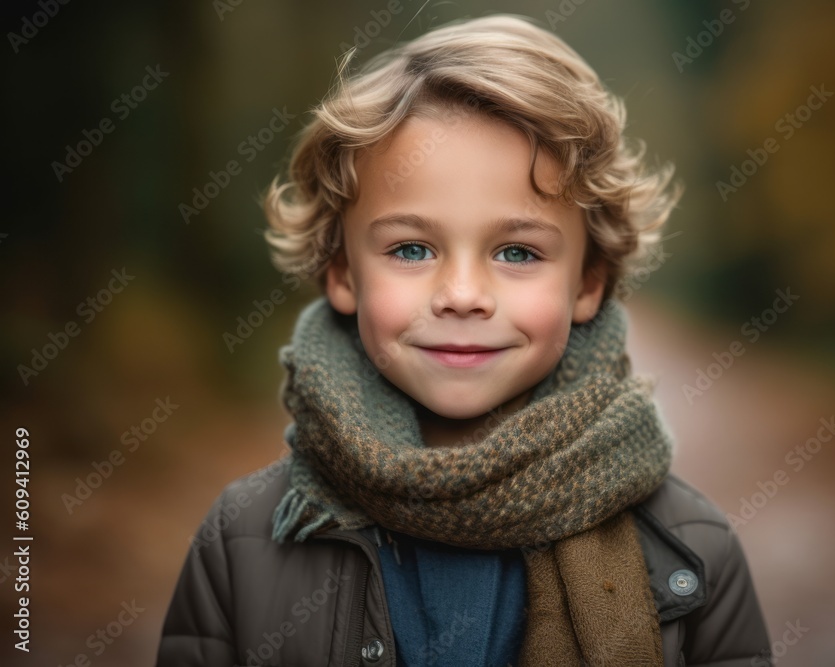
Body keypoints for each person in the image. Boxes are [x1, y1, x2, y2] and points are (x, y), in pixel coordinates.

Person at [157, 14, 771, 667]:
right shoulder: (243, 541)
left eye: (516, 251)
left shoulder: (691, 547)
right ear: (342, 272)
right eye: (412, 248)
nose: (461, 292)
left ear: (588, 280)